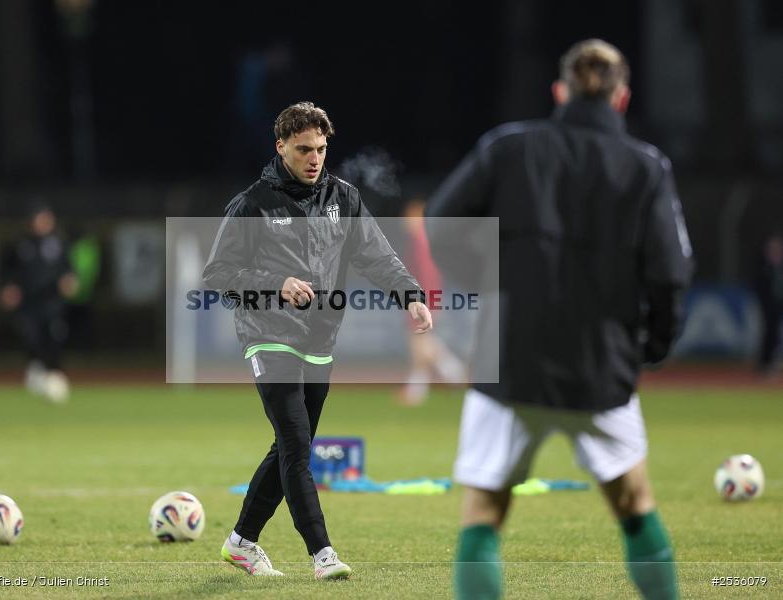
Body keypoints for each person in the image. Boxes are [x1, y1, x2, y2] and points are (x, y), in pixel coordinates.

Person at [425, 40, 693, 600]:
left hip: (512, 358)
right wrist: (654, 345)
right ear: (621, 98)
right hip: (601, 365)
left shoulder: (507, 147)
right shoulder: (646, 167)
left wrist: (485, 286)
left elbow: (442, 221)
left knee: (484, 511)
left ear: (560, 91)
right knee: (634, 504)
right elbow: (671, 273)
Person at [204, 101, 433, 580]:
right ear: (280, 147)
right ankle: (322, 554)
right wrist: (277, 283)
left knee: (294, 448)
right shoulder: (252, 204)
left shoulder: (343, 198)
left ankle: (241, 542)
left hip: (319, 336)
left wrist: (410, 294)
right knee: (294, 443)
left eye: (322, 149)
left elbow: (377, 254)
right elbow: (218, 275)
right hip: (267, 335)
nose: (314, 159)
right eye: (304, 149)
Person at [0, 202, 78, 403]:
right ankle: (36, 369)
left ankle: (54, 373)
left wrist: (69, 280)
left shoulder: (59, 243)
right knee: (29, 335)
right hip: (28, 301)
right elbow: (8, 270)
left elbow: (68, 268)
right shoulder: (20, 244)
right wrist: (9, 287)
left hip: (52, 301)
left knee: (54, 336)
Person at [399, 198, 465, 406]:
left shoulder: (421, 242)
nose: (404, 220)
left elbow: (428, 274)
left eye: (409, 216)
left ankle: (454, 372)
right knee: (421, 344)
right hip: (423, 298)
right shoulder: (421, 240)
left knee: (421, 343)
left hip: (422, 299)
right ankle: (418, 389)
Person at [752, 233, 783, 376]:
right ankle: (765, 363)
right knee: (769, 333)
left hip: (778, 305)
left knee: (775, 333)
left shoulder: (778, 268)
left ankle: (773, 361)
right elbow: (758, 286)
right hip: (768, 306)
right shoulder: (763, 268)